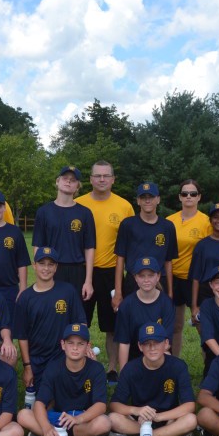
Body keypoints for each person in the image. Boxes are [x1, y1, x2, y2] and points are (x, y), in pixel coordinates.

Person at [76, 160, 134, 385]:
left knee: (113, 324)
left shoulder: (124, 206)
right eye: (97, 176)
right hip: (83, 271)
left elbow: (129, 241)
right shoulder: (78, 204)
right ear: (90, 179)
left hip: (112, 272)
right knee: (80, 321)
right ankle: (80, 363)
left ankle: (112, 369)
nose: (101, 179)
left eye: (106, 176)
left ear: (113, 179)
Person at [17, 323, 110, 436]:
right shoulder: (54, 367)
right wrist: (46, 428)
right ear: (63, 345)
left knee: (104, 423)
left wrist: (78, 419)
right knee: (23, 415)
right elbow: (40, 403)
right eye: (70, 343)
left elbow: (100, 405)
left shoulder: (96, 368)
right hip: (58, 418)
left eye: (80, 344)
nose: (75, 348)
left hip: (82, 418)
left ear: (88, 346)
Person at [13, 247, 87, 402]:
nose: (46, 268)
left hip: (63, 357)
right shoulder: (25, 298)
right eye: (42, 263)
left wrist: (85, 347)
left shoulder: (67, 291)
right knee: (44, 401)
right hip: (38, 359)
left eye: (50, 264)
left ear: (56, 267)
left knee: (68, 399)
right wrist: (27, 366)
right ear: (34, 266)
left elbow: (80, 323)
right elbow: (22, 336)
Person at [108, 323, 197, 436]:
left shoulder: (178, 366)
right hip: (139, 421)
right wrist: (136, 410)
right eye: (147, 344)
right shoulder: (130, 368)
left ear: (166, 344)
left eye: (157, 342)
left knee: (191, 420)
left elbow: (190, 405)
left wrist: (159, 417)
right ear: (140, 346)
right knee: (112, 418)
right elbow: (114, 405)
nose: (152, 348)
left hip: (168, 419)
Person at [32, 166, 95, 305]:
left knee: (75, 315)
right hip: (52, 269)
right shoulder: (44, 212)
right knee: (51, 312)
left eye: (73, 180)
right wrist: (40, 272)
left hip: (77, 270)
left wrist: (88, 281)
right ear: (57, 181)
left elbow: (89, 248)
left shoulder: (85, 213)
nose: (68, 182)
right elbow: (37, 245)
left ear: (77, 186)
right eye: (65, 178)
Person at [113, 182, 177, 309]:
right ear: (138, 201)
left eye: (151, 197)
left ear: (158, 199)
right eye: (143, 197)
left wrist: (170, 292)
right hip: (134, 280)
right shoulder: (127, 225)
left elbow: (168, 261)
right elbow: (120, 259)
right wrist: (118, 292)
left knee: (158, 323)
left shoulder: (167, 226)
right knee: (132, 322)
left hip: (159, 281)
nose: (147, 201)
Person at [166, 179, 211, 357]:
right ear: (180, 197)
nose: (189, 197)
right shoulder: (170, 221)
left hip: (196, 280)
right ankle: (173, 363)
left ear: (199, 197)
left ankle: (211, 362)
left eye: (193, 194)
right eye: (185, 194)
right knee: (175, 325)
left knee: (201, 323)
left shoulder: (206, 222)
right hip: (173, 278)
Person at [114, 257, 176, 371]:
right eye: (142, 276)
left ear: (158, 277)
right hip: (135, 357)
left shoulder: (166, 303)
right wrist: (123, 374)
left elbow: (167, 344)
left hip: (159, 354)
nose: (146, 280)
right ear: (135, 278)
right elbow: (124, 343)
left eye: (151, 275)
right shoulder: (127, 305)